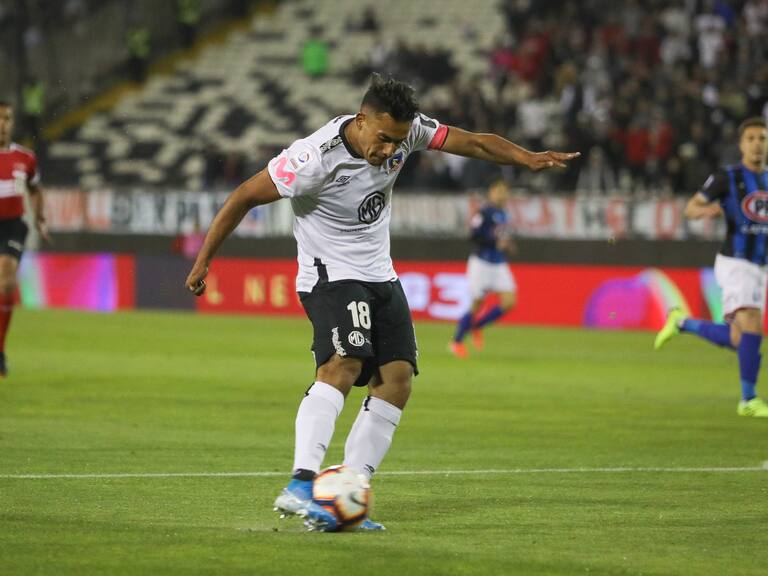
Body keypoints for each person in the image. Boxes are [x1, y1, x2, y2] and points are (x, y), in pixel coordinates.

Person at [184, 75, 579, 531]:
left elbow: (474, 144)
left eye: (398, 141)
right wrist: (203, 261)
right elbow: (243, 197)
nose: (391, 150)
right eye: (383, 138)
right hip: (330, 274)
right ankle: (300, 484)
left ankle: (348, 492)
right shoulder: (314, 158)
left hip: (379, 274)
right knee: (342, 364)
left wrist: (525, 160)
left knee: (397, 380)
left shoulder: (407, 131)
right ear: (361, 120)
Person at [654, 117, 768, 418]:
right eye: (752, 139)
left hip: (760, 268)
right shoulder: (727, 177)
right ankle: (748, 399)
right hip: (735, 262)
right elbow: (690, 208)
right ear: (742, 145)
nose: (757, 144)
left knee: (739, 339)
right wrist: (710, 209)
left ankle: (681, 322)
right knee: (753, 323)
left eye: (762, 138)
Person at [0, 101, 49, 377]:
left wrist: (40, 218)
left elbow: (35, 189)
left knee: (6, 281)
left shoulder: (25, 158)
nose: (2, 124)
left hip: (11, 227)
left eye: (7, 119)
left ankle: (0, 350)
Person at [450, 180, 517, 358]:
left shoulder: (503, 213)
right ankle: (456, 341)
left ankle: (477, 327)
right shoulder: (484, 212)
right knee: (477, 303)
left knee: (509, 301)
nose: (502, 194)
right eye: (498, 190)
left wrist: (508, 245)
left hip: (499, 262)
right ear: (491, 192)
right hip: (481, 262)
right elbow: (473, 235)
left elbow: (501, 236)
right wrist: (495, 242)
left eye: (504, 191)